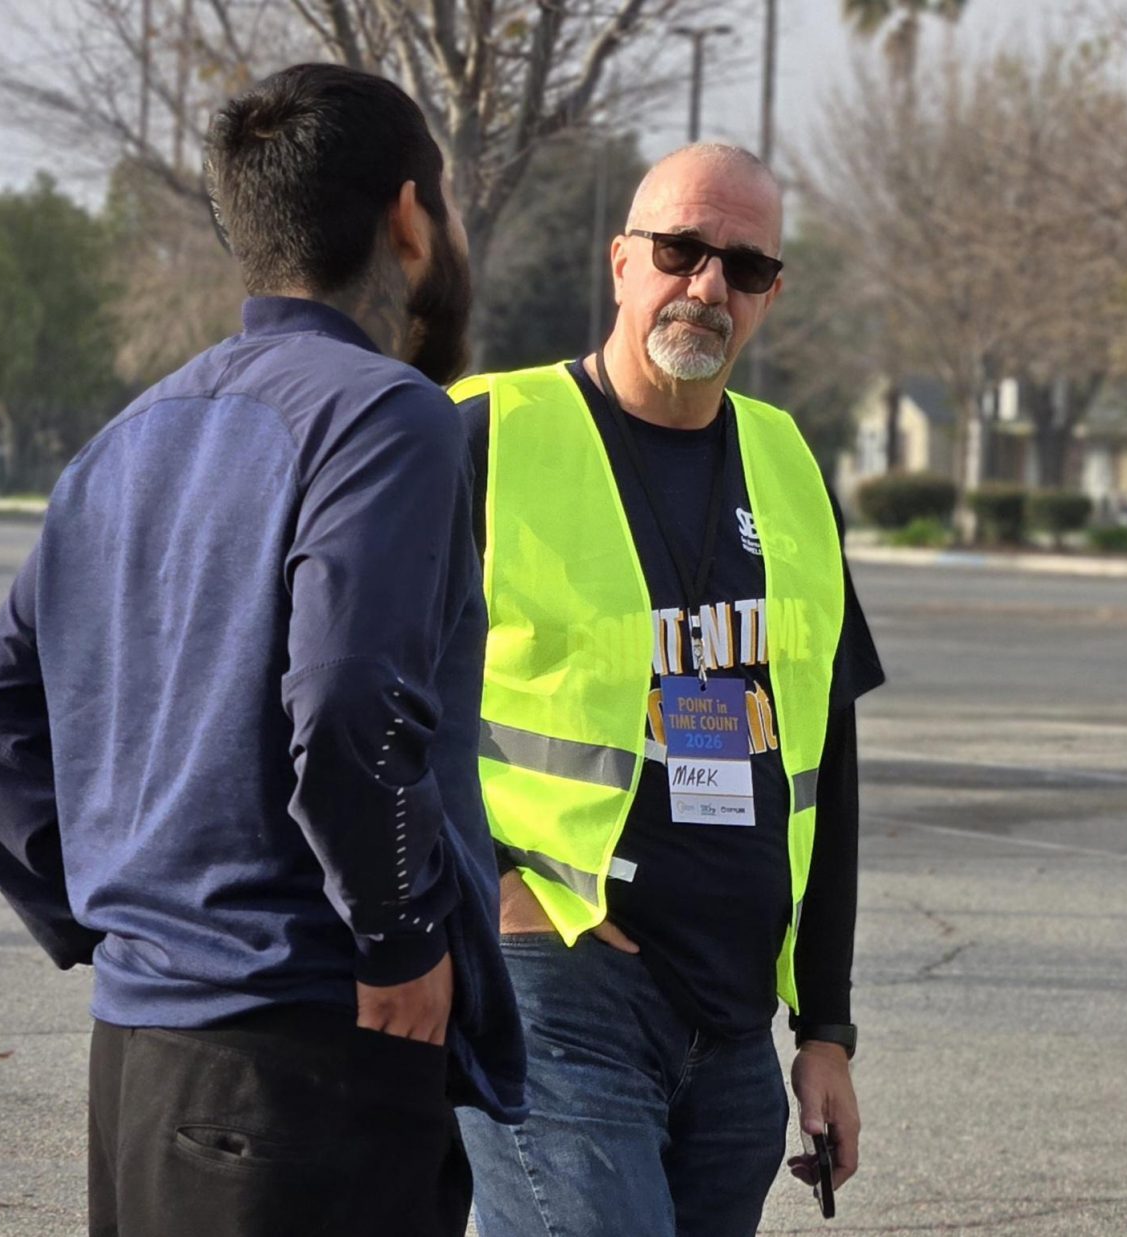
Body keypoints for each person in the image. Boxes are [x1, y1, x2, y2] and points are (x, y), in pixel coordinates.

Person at [0, 63, 522, 1236]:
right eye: (450, 206)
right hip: (314, 1060)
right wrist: (399, 932)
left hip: (144, 1058)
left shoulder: (127, 435)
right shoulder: (389, 413)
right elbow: (349, 695)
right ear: (410, 220)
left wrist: (128, 914)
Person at [449, 142, 883, 1237]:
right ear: (620, 262)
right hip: (557, 980)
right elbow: (368, 697)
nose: (706, 285)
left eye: (742, 267)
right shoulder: (485, 435)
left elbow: (824, 764)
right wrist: (486, 884)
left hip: (731, 1020)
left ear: (771, 294)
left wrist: (823, 1028)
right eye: (681, 250)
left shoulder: (787, 464)